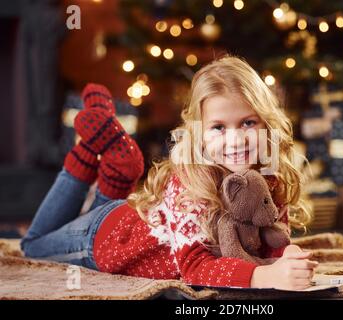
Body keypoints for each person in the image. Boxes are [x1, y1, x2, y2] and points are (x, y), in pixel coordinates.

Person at [21, 55, 318, 291]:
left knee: (50, 232)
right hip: (102, 239)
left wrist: (286, 258)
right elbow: (195, 268)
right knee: (32, 245)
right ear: (198, 133)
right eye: (218, 127)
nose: (236, 140)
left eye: (248, 123)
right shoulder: (191, 182)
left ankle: (116, 170)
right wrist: (263, 277)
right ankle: (87, 155)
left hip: (127, 215)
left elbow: (271, 240)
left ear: (266, 123)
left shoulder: (268, 175)